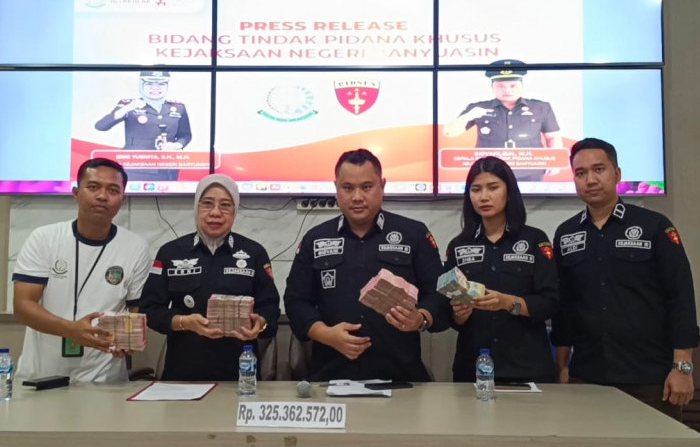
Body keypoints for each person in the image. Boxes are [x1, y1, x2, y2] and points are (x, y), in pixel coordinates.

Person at [551, 138, 699, 420]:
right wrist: (562, 366)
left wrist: (682, 367)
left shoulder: (654, 226)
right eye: (581, 173)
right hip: (587, 376)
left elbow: (680, 296)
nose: (590, 179)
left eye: (599, 169)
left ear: (617, 174)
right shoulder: (566, 234)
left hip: (650, 378)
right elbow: (564, 305)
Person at [284, 148, 449, 382]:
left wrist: (421, 318)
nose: (357, 197)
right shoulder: (316, 239)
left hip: (400, 377)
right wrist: (326, 334)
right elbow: (296, 300)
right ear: (336, 188)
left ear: (382, 186)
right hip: (331, 375)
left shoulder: (413, 234)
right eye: (348, 188)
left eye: (367, 187)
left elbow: (440, 293)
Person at [12, 158, 151, 383]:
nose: (102, 196)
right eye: (93, 187)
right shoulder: (44, 238)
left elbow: (135, 311)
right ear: (76, 193)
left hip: (104, 379)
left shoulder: (136, 247)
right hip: (42, 376)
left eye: (113, 190)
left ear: (122, 199)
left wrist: (129, 340)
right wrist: (70, 330)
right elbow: (23, 306)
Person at [139, 174, 280, 381]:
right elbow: (149, 310)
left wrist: (261, 323)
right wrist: (183, 322)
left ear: (235, 211)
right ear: (196, 207)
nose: (215, 213)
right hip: (183, 374)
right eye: (207, 203)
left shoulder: (254, 253)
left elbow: (271, 309)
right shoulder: (171, 252)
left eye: (225, 205)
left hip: (240, 375)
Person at [445, 156, 558, 383]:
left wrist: (508, 303)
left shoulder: (535, 240)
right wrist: (458, 315)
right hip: (472, 368)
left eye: (493, 187)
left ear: (509, 192)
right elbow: (446, 310)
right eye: (476, 189)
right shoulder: (458, 246)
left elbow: (551, 302)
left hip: (526, 368)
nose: (484, 197)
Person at [443, 59, 563, 181]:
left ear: (522, 86)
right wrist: (469, 115)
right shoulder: (479, 108)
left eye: (513, 85)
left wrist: (554, 161)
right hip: (489, 172)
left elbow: (552, 137)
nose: (507, 90)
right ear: (492, 87)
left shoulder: (541, 107)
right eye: (500, 86)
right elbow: (450, 132)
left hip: (530, 171)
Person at [95, 70, 192, 181]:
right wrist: (126, 109)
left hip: (166, 166)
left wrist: (176, 146)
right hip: (136, 166)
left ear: (167, 86)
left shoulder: (178, 107)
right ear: (141, 85)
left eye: (161, 84)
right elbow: (101, 126)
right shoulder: (128, 105)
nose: (155, 88)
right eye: (150, 84)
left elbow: (185, 135)